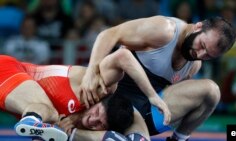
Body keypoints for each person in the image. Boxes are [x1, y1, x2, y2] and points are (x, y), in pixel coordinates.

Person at [81, 16, 236, 141]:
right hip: (109, 95)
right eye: (202, 45)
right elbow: (109, 34)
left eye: (208, 55)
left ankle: (179, 139)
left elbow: (173, 96)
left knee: (212, 91)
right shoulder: (164, 30)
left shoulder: (195, 64)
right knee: (116, 62)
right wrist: (91, 72)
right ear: (198, 26)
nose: (200, 55)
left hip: (141, 111)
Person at [0, 48, 168, 141]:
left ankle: (33, 121)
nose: (91, 121)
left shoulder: (73, 125)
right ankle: (32, 120)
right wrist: (152, 95)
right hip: (7, 69)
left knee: (49, 121)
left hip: (12, 95)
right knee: (49, 112)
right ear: (99, 101)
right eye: (96, 113)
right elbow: (123, 56)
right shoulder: (98, 88)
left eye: (99, 124)